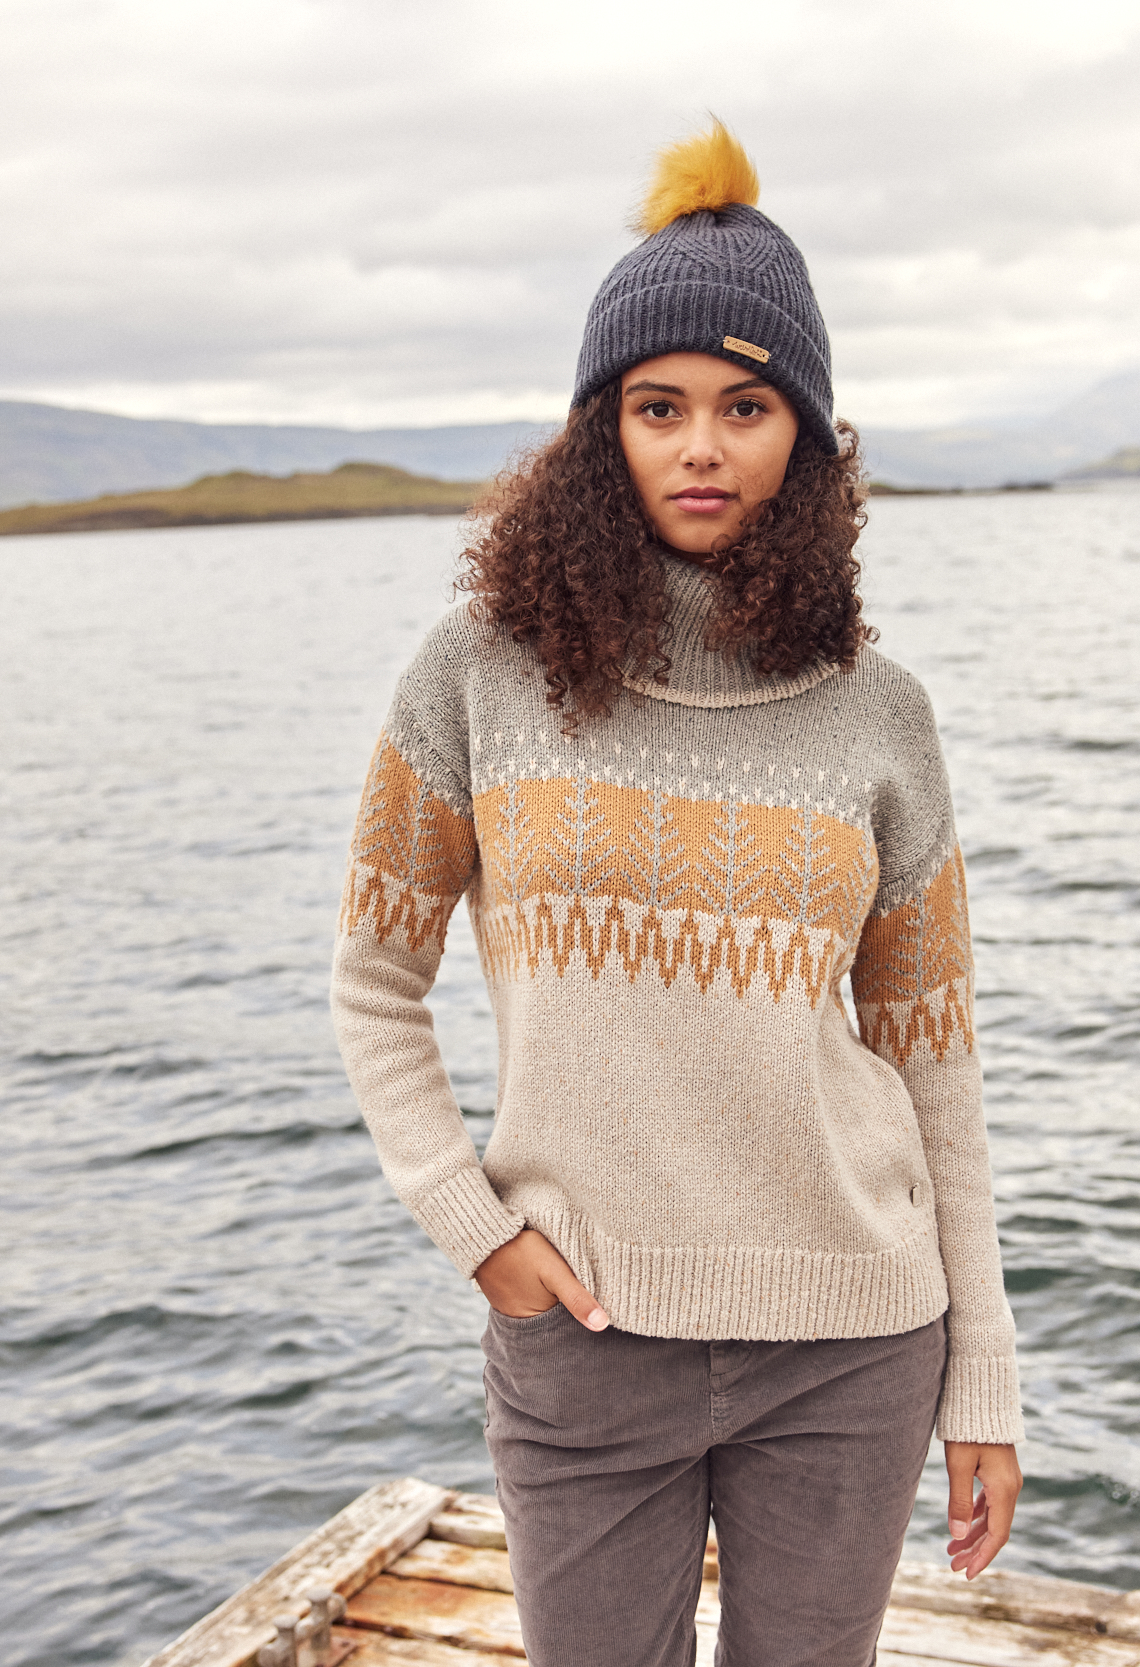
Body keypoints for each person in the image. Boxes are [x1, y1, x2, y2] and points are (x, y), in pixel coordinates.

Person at [330, 122, 1023, 1667]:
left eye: (746, 406)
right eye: (659, 408)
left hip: (853, 1345)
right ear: (602, 433)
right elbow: (374, 978)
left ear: (808, 439)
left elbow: (934, 1057)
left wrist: (985, 1377)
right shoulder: (479, 678)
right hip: (583, 1342)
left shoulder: (878, 713)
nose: (702, 448)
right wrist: (473, 1225)